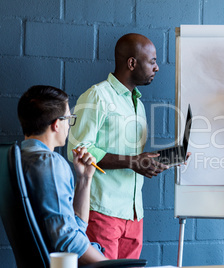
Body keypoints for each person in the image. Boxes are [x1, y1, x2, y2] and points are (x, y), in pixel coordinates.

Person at [67, 33, 170, 259]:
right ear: (132, 63)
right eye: (152, 61)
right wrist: (132, 162)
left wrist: (159, 160)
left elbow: (134, 157)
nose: (157, 67)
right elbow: (78, 149)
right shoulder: (96, 96)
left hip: (134, 215)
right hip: (102, 212)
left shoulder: (138, 104)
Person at [17, 85, 109, 265]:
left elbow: (76, 227)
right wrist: (108, 264)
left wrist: (84, 179)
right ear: (56, 124)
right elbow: (68, 241)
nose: (69, 126)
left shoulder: (19, 157)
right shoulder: (50, 163)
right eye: (69, 119)